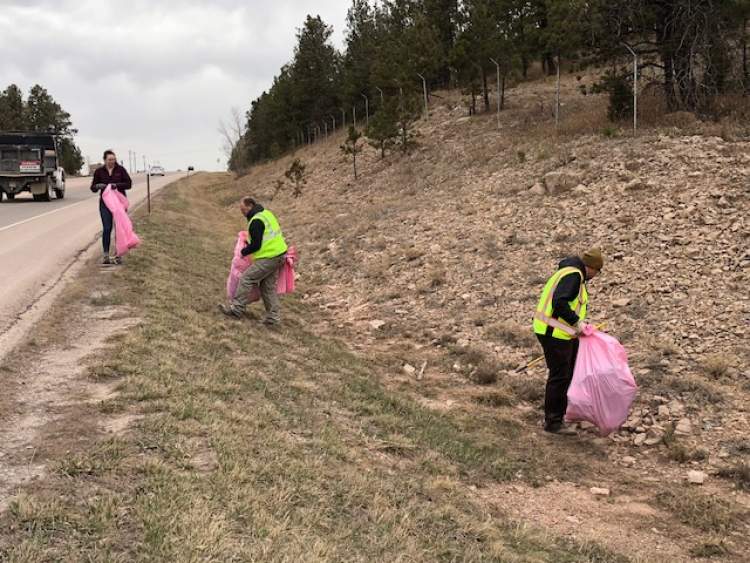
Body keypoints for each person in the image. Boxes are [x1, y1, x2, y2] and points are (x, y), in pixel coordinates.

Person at [532, 248, 603, 434]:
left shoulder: (568, 271)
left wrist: (577, 326)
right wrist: (576, 322)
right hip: (554, 333)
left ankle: (559, 414)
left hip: (557, 332)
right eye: (597, 272)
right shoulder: (574, 276)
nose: (595, 276)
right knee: (560, 376)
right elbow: (560, 302)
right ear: (592, 268)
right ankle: (553, 422)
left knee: (565, 373)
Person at [219, 197, 288, 326]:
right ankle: (273, 319)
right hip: (280, 254)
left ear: (250, 205)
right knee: (267, 287)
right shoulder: (266, 214)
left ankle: (237, 309)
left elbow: (256, 245)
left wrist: (244, 252)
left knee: (246, 278)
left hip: (270, 256)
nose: (242, 212)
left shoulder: (256, 220)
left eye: (243, 209)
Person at [90, 150, 132, 265]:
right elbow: (92, 187)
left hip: (119, 203)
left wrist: (116, 186)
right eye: (109, 160)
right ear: (105, 160)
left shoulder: (121, 170)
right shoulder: (99, 171)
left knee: (119, 228)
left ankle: (119, 255)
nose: (112, 162)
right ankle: (106, 255)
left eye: (113, 159)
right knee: (107, 228)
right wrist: (98, 186)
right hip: (105, 203)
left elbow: (129, 184)